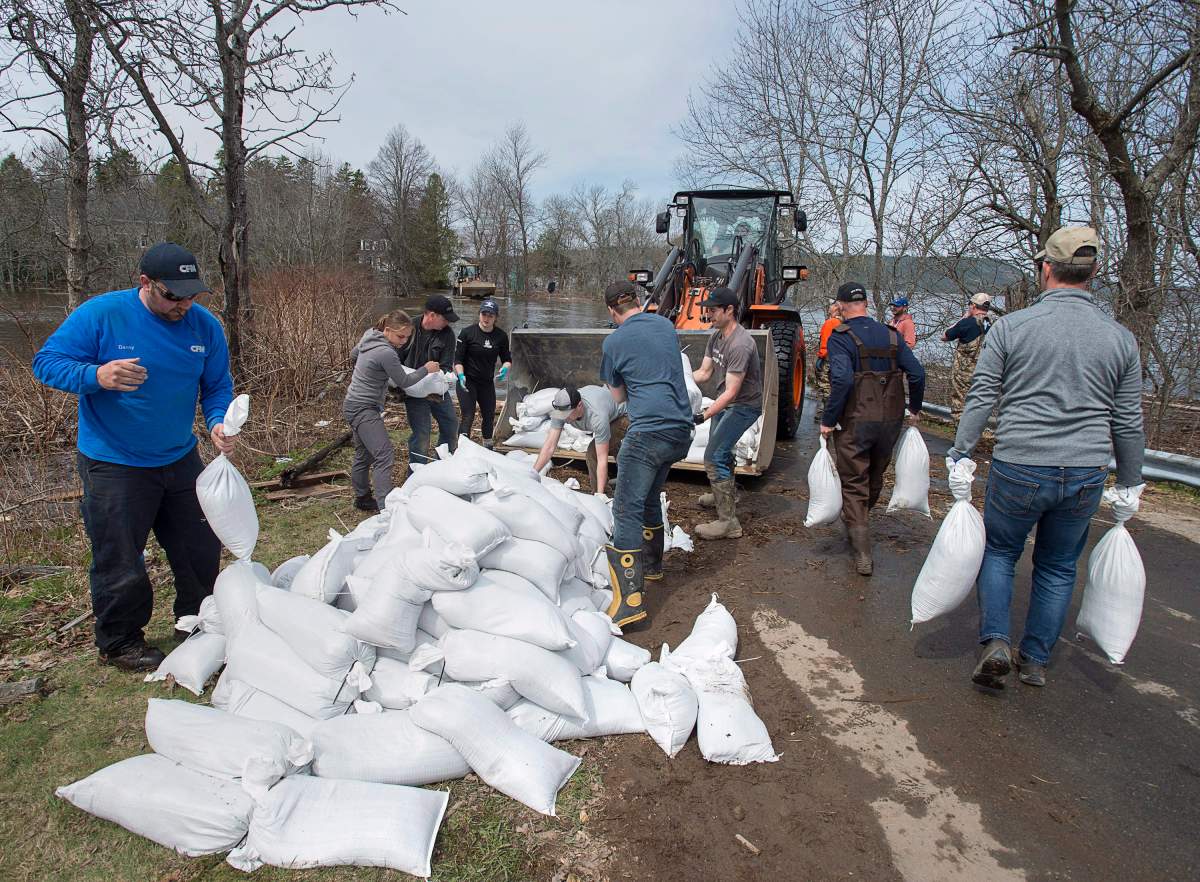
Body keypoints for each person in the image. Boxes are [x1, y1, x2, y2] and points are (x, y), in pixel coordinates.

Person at [949, 227, 1144, 690]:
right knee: (1058, 566)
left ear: (1046, 269)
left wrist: (961, 451)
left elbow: (981, 396)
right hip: (1085, 472)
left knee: (999, 551)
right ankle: (1034, 658)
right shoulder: (1119, 339)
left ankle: (996, 640)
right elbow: (1128, 420)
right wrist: (1131, 480)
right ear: (1094, 272)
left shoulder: (1011, 328)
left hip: (1020, 465)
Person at [31, 242, 234, 672]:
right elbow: (46, 362)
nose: (183, 304)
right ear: (145, 283)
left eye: (191, 294)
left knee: (199, 546)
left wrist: (218, 421)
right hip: (115, 463)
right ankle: (121, 642)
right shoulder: (102, 314)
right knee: (120, 556)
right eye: (173, 295)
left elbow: (216, 386)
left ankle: (196, 621)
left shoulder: (205, 327)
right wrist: (96, 375)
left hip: (179, 457)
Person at [599, 280, 693, 627]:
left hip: (648, 432)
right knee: (651, 495)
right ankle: (652, 566)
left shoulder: (613, 342)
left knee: (626, 509)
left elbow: (619, 397)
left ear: (612, 311)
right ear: (639, 300)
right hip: (680, 432)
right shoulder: (666, 326)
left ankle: (630, 601)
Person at [822, 281, 925, 575]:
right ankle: (861, 520)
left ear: (841, 306)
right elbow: (917, 374)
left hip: (857, 417)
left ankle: (862, 549)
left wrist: (829, 420)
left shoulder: (841, 336)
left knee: (854, 480)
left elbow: (841, 381)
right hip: (891, 419)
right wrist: (914, 409)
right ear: (866, 303)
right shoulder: (891, 334)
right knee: (876, 474)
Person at [344, 310, 441, 512]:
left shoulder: (369, 336)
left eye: (407, 337)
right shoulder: (386, 352)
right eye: (400, 336)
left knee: (364, 454)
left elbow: (354, 356)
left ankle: (362, 497)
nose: (404, 341)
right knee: (384, 454)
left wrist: (368, 373)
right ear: (387, 330)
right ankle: (386, 507)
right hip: (364, 408)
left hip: (353, 402)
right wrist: (426, 369)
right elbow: (403, 381)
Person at [690, 286, 762, 540]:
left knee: (713, 456)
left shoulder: (741, 344)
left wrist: (704, 414)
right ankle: (726, 492)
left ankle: (729, 522)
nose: (709, 314)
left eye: (713, 310)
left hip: (743, 406)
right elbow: (704, 373)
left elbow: (732, 392)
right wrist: (679, 382)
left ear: (729, 310)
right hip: (727, 402)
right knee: (721, 450)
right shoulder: (716, 336)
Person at [400, 294, 460, 472]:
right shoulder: (408, 329)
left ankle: (442, 467)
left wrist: (446, 378)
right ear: (431, 315)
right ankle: (416, 475)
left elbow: (447, 365)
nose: (447, 323)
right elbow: (395, 361)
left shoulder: (447, 335)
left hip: (436, 389)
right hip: (413, 390)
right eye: (445, 319)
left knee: (450, 426)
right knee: (422, 433)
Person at [533, 385, 627, 494]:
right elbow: (550, 445)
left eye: (567, 414)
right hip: (608, 411)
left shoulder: (596, 416)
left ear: (579, 406)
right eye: (561, 414)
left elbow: (602, 459)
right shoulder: (561, 410)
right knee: (615, 449)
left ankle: (602, 494)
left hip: (623, 416)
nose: (564, 418)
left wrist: (600, 495)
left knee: (593, 453)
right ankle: (625, 480)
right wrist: (534, 473)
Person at [454, 299, 512, 449]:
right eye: (484, 314)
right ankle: (461, 448)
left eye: (490, 315)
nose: (486, 318)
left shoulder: (501, 336)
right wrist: (460, 375)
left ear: (496, 317)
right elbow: (458, 360)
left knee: (488, 415)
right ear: (479, 314)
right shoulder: (467, 333)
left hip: (486, 383)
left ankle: (488, 446)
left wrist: (505, 369)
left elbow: (507, 359)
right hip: (467, 381)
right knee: (468, 415)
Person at [944, 293, 993, 421]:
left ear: (973, 306)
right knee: (979, 405)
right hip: (986, 373)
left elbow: (945, 336)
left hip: (964, 374)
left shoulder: (966, 323)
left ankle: (961, 438)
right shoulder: (993, 324)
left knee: (959, 406)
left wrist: (963, 319)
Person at [813, 301, 842, 422]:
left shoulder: (831, 322)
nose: (829, 307)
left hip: (828, 358)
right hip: (838, 358)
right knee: (833, 385)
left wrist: (821, 357)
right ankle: (826, 413)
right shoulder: (843, 322)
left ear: (836, 308)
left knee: (824, 385)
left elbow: (825, 342)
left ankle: (827, 414)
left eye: (832, 305)